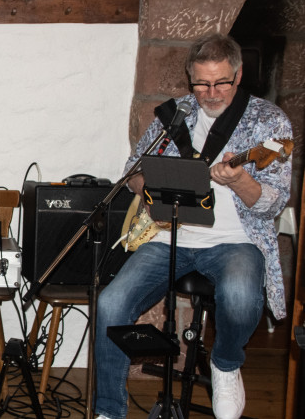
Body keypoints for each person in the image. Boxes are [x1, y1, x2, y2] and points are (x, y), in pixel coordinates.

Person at [94, 33, 292, 419]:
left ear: (238, 76)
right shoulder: (175, 115)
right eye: (202, 84)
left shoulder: (269, 122)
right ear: (190, 78)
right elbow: (133, 171)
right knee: (110, 303)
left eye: (221, 83)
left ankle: (225, 364)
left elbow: (273, 203)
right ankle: (109, 411)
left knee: (240, 295)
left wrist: (240, 180)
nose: (211, 93)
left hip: (236, 241)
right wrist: (150, 189)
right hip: (170, 237)